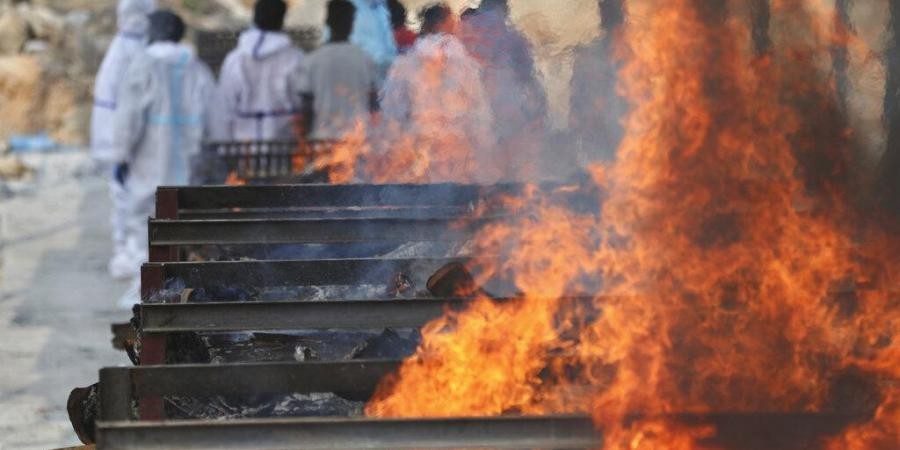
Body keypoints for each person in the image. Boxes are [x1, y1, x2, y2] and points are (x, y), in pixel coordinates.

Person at [113, 10, 216, 307]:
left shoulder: (142, 66)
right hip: (189, 163)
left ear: (154, 32)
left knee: (145, 225)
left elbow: (127, 119)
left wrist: (120, 156)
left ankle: (145, 291)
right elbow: (216, 120)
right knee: (184, 226)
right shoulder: (197, 69)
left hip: (150, 161)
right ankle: (180, 289)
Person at [378, 3, 494, 183]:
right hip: (458, 155)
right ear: (445, 24)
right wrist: (485, 150)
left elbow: (392, 113)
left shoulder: (404, 64)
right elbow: (479, 113)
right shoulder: (466, 65)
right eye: (453, 23)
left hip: (419, 155)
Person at [90, 0, 157, 279]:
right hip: (121, 140)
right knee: (128, 198)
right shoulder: (135, 52)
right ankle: (129, 253)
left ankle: (130, 252)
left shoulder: (121, 50)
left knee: (127, 197)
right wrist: (122, 149)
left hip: (116, 138)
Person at [459, 0, 547, 179]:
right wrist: (540, 107)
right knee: (505, 166)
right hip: (504, 109)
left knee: (481, 165)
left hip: (475, 111)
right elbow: (528, 76)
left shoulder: (464, 36)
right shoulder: (513, 38)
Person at [213, 0, 305, 141]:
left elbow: (224, 105)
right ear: (282, 20)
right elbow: (300, 100)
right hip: (282, 144)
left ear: (254, 18)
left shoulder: (236, 58)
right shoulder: (294, 58)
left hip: (243, 145)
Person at [296, 0, 379, 142]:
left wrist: (304, 138)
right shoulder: (365, 60)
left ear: (327, 21)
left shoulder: (313, 60)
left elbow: (306, 106)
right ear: (352, 24)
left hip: (322, 140)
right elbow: (373, 104)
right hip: (356, 141)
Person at [568, 0, 626, 163]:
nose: (608, 15)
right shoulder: (589, 54)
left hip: (626, 129)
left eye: (613, 9)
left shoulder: (635, 51)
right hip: (597, 132)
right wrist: (577, 118)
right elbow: (577, 94)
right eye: (606, 9)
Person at [343, 0, 397, 81]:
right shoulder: (354, 8)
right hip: (361, 74)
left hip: (384, 74)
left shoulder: (380, 7)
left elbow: (388, 41)